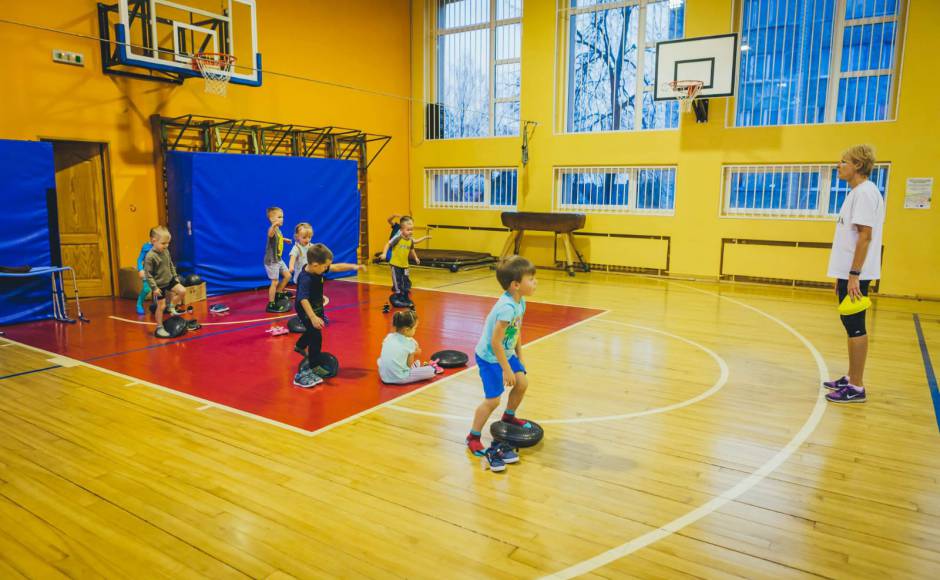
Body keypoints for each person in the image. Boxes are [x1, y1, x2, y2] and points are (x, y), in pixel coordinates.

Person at [823, 144, 885, 404]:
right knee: (850, 324)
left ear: (858, 165)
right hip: (848, 273)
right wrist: (841, 275)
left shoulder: (865, 193)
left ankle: (856, 387)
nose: (838, 165)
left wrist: (853, 275)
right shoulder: (857, 193)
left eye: (844, 161)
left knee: (855, 326)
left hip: (856, 274)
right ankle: (851, 377)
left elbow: (865, 236)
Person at [466, 255, 537, 472]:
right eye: (531, 279)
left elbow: (516, 331)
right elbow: (495, 342)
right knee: (493, 400)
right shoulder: (506, 307)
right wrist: (506, 369)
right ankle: (473, 436)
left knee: (522, 383)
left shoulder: (520, 301)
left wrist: (519, 357)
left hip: (506, 352)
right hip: (490, 357)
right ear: (516, 285)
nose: (535, 282)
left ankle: (509, 416)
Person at [293, 243, 366, 388]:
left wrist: (354, 266)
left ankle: (300, 345)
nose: (327, 268)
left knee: (312, 331)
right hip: (307, 310)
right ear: (315, 265)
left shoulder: (317, 268)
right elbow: (303, 299)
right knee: (316, 336)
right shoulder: (306, 278)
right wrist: (313, 317)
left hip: (316, 307)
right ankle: (314, 365)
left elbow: (336, 267)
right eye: (325, 266)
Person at [143, 226, 187, 338]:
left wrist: (175, 277)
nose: (166, 245)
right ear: (154, 241)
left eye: (168, 243)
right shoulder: (150, 257)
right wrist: (154, 288)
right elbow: (148, 274)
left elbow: (170, 264)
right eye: (163, 243)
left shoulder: (165, 251)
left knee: (182, 291)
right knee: (161, 306)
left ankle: (171, 306)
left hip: (169, 279)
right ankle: (159, 327)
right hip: (159, 285)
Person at [377, 310, 443, 385]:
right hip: (399, 378)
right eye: (415, 328)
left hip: (383, 376)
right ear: (407, 330)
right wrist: (414, 353)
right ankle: (430, 368)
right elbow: (409, 365)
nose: (415, 330)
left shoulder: (389, 337)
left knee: (417, 362)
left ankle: (414, 368)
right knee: (431, 371)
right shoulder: (410, 344)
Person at [381, 216, 425, 307]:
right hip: (395, 264)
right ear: (401, 230)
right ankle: (396, 297)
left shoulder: (410, 240)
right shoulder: (398, 237)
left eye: (411, 230)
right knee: (397, 282)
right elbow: (388, 244)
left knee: (406, 281)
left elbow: (412, 249)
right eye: (408, 230)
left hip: (405, 265)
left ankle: (404, 296)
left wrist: (416, 258)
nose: (410, 232)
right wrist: (384, 254)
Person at [264, 206, 292, 312]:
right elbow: (270, 234)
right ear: (272, 219)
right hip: (272, 261)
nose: (282, 219)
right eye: (279, 217)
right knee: (274, 282)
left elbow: (278, 238)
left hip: (278, 259)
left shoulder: (278, 230)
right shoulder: (272, 229)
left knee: (288, 275)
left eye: (282, 217)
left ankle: (279, 293)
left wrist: (285, 240)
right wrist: (273, 225)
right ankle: (271, 304)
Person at [135, 238, 153, 315]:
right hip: (147, 271)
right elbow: (139, 259)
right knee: (146, 289)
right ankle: (139, 304)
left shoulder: (161, 246)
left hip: (158, 272)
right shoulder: (146, 247)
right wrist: (140, 269)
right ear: (152, 238)